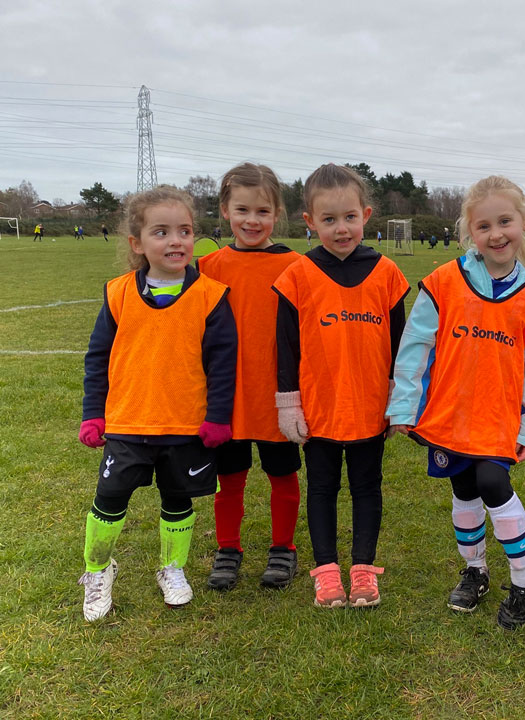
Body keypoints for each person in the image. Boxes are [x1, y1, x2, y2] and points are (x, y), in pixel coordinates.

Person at [387, 176, 525, 630]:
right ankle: (475, 570)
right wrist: (404, 405)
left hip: (498, 418)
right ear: (469, 233)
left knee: (492, 482)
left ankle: (524, 575)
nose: (496, 233)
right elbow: (415, 343)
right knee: (463, 490)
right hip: (450, 414)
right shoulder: (444, 282)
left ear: (524, 222)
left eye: (505, 221)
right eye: (484, 226)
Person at [76, 186, 238, 621]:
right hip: (128, 422)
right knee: (110, 499)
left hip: (185, 425)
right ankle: (96, 570)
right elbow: (97, 359)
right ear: (137, 243)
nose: (175, 241)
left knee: (178, 499)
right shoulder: (118, 294)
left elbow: (224, 365)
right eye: (161, 232)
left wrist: (218, 418)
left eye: (184, 231)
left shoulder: (212, 296)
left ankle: (172, 568)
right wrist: (94, 413)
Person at [273, 164, 409, 609]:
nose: (341, 228)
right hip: (319, 408)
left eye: (349, 217)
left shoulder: (387, 273)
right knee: (322, 488)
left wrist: (398, 397)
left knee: (368, 486)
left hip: (370, 405)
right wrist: (289, 404)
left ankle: (364, 570)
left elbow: (401, 345)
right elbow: (286, 347)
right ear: (309, 221)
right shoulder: (297, 275)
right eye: (328, 220)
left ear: (366, 214)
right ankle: (327, 572)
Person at [198, 163, 303, 592]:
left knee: (282, 474)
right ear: (225, 211)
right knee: (231, 478)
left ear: (277, 212)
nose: (252, 220)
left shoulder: (297, 266)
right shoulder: (207, 267)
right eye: (242, 209)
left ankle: (284, 548)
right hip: (228, 397)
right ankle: (228, 549)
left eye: (262, 211)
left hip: (277, 394)